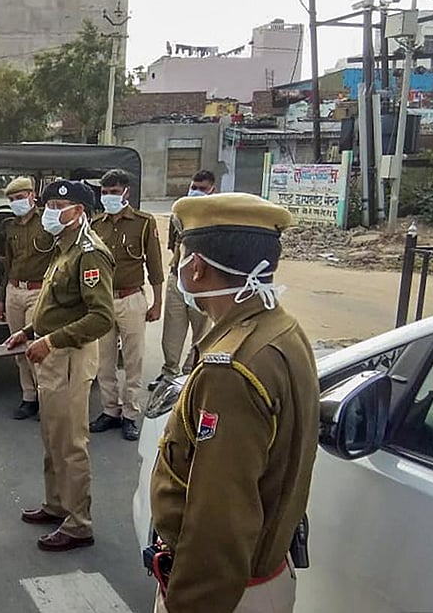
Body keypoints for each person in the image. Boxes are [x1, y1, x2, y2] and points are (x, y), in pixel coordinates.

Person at [149, 193, 319, 613]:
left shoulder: (232, 369)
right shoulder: (279, 328)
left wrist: (189, 603)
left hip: (226, 594)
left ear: (197, 267)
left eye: (185, 255)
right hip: (258, 579)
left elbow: (219, 517)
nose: (182, 265)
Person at [5, 180, 114, 552]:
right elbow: (57, 305)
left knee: (70, 443)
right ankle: (57, 505)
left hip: (69, 357)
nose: (49, 212)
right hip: (51, 353)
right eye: (48, 204)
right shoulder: (63, 247)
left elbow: (101, 318)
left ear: (78, 212)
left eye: (57, 206)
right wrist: (28, 331)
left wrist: (50, 341)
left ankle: (79, 523)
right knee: (52, 436)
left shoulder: (89, 253)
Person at [89, 169, 164, 441]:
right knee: (104, 360)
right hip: (103, 300)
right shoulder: (96, 225)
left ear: (126, 193)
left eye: (114, 192)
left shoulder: (143, 222)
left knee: (134, 359)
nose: (108, 196)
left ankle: (130, 414)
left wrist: (157, 302)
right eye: (105, 192)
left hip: (132, 299)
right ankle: (110, 410)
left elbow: (155, 266)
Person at [148, 170, 215, 392]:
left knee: (202, 332)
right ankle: (169, 373)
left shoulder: (217, 218)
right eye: (194, 187)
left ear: (212, 190)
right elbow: (173, 247)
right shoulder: (180, 215)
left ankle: (191, 375)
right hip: (178, 278)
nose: (196, 192)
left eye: (202, 189)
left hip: (204, 282)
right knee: (172, 331)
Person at [0, 176, 55, 420]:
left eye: (20, 198)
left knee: (35, 347)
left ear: (32, 196)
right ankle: (28, 397)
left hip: (38, 291)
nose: (16, 203)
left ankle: (45, 398)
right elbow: (9, 265)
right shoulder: (10, 227)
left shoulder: (48, 222)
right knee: (18, 349)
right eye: (11, 199)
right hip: (13, 290)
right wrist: (1, 298)